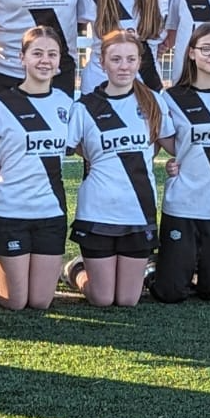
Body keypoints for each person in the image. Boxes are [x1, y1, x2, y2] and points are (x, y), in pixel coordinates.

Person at [0, 27, 82, 310]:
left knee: (41, 302)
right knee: (16, 302)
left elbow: (92, 147)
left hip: (50, 212)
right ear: (22, 58)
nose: (45, 60)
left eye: (52, 54)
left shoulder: (66, 105)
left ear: (59, 62)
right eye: (37, 53)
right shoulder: (1, 104)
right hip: (9, 212)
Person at [62, 30, 162, 307]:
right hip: (98, 210)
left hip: (139, 209)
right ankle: (75, 271)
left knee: (128, 300)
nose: (124, 66)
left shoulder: (153, 101)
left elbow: (170, 143)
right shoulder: (84, 107)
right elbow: (69, 147)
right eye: (116, 59)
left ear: (139, 62)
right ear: (102, 62)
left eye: (130, 59)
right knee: (103, 299)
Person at [151, 23, 210, 304]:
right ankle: (150, 269)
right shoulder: (172, 98)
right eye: (206, 48)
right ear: (191, 53)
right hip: (183, 204)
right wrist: (181, 160)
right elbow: (169, 141)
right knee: (169, 294)